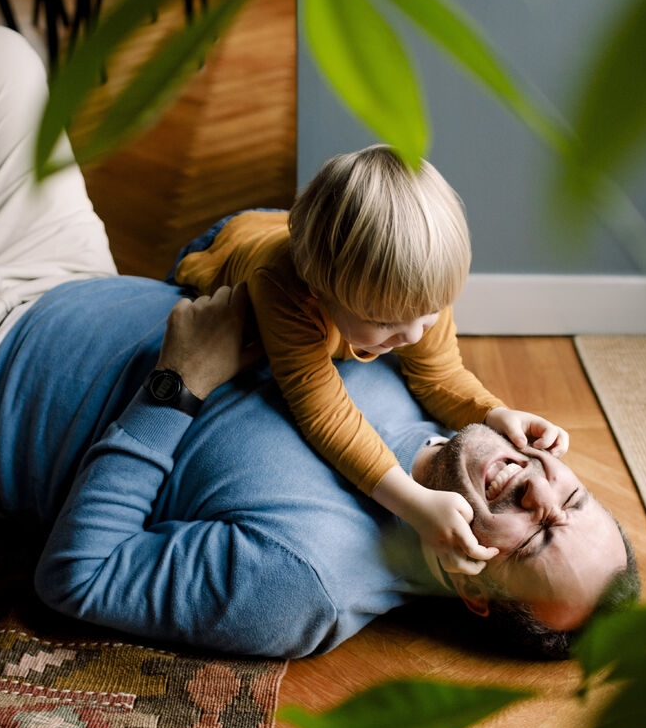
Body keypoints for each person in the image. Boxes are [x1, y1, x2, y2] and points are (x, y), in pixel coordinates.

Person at [0, 26, 638, 660]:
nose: (538, 491)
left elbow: (76, 576)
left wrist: (175, 385)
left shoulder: (304, 579)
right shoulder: (436, 390)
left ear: (473, 587)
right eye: (570, 496)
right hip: (64, 274)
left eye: (536, 536)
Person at [170, 148, 569, 579]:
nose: (412, 335)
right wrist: (414, 503)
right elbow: (324, 414)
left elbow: (439, 376)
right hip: (229, 243)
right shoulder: (283, 290)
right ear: (319, 291)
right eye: (384, 322)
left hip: (295, 229)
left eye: (430, 314)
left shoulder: (417, 290)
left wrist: (494, 413)